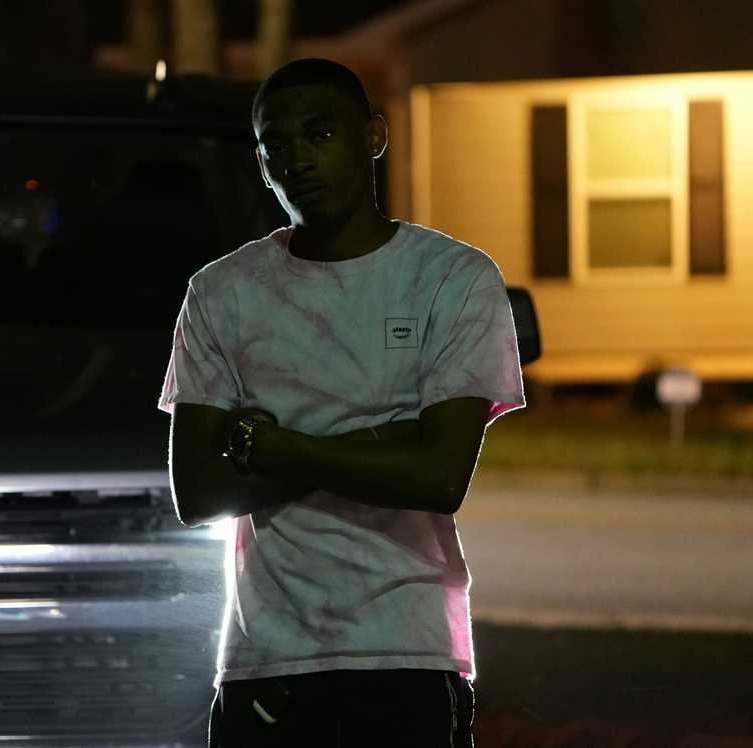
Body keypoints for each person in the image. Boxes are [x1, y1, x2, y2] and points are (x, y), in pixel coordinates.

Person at [157, 58, 525, 746]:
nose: (298, 159)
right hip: (267, 661)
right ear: (261, 163)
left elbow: (439, 478)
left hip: (408, 650)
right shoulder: (221, 292)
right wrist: (387, 439)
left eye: (320, 133)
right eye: (276, 144)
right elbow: (198, 492)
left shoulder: (451, 278)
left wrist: (272, 447)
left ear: (373, 137)